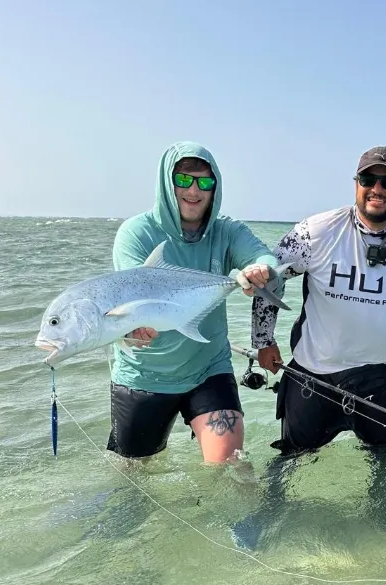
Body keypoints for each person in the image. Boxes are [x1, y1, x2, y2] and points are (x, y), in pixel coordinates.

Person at [249, 145, 386, 456]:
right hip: (313, 375)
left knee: (384, 462)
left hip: (382, 379)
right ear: (356, 185)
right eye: (367, 179)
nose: (377, 189)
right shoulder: (316, 231)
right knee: (289, 461)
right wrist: (263, 340)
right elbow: (271, 277)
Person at [108, 141, 284, 463]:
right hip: (144, 374)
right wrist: (131, 330)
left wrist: (261, 271)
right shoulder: (136, 232)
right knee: (133, 477)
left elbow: (265, 257)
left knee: (232, 467)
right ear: (167, 182)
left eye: (204, 182)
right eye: (183, 180)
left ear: (214, 186)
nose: (194, 190)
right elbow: (129, 300)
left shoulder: (227, 231)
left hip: (208, 367)